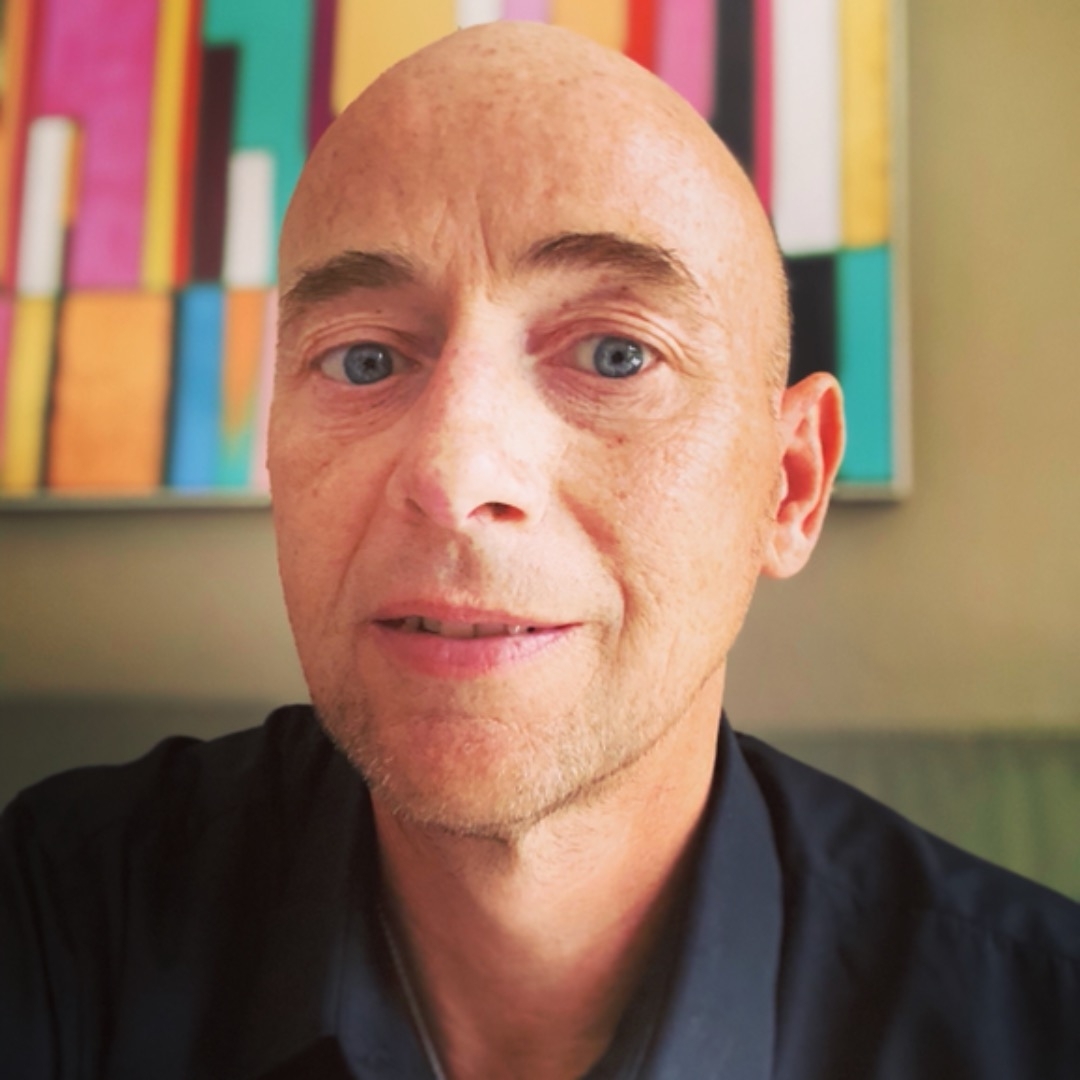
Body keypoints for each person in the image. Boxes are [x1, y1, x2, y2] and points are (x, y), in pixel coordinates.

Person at [2, 21, 1078, 1080]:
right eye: (366, 359)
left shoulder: (1037, 1026)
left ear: (789, 485)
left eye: (616, 355)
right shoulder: (56, 928)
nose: (456, 475)